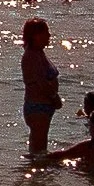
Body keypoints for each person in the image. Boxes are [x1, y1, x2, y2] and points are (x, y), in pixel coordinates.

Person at [21, 17, 60, 155]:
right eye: (46, 32)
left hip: (43, 106)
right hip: (38, 107)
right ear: (35, 36)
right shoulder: (31, 55)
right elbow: (40, 82)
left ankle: (38, 173)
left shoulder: (39, 53)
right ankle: (38, 174)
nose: (49, 36)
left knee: (38, 148)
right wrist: (54, 97)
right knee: (39, 151)